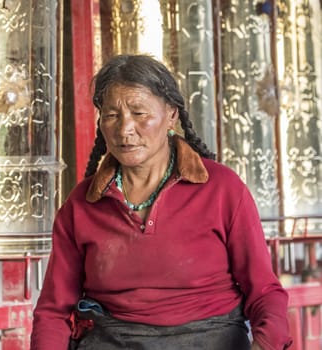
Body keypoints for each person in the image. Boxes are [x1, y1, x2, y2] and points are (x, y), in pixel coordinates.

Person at [31, 54, 292, 350]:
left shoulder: (222, 188)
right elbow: (54, 311)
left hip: (212, 340)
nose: (125, 129)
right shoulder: (81, 204)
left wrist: (267, 343)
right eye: (112, 115)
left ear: (171, 115)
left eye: (139, 113)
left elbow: (265, 292)